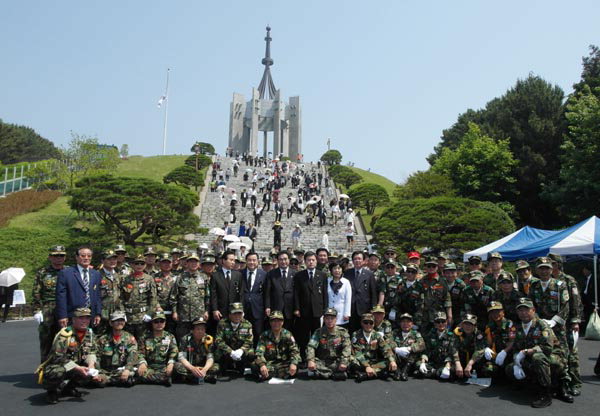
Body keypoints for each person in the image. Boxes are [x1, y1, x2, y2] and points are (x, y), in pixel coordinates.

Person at [505, 298, 573, 407]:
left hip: (553, 358)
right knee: (510, 368)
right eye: (520, 310)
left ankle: (546, 394)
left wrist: (526, 351)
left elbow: (547, 348)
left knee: (538, 357)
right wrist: (517, 362)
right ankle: (533, 385)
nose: (523, 313)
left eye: (526, 310)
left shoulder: (542, 325)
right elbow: (516, 349)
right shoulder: (517, 328)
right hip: (532, 358)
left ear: (533, 310)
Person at [39, 307, 101, 404]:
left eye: (87, 318)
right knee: (57, 371)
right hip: (59, 365)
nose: (84, 321)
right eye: (81, 318)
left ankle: (68, 388)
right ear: (73, 319)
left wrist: (91, 365)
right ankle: (52, 392)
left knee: (94, 368)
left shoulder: (90, 333)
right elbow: (58, 357)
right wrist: (77, 368)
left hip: (76, 366)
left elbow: (92, 351)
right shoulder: (65, 335)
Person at [33, 245, 66, 362]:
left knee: (64, 339)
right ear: (50, 257)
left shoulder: (69, 271)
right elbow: (36, 292)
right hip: (48, 308)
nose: (59, 258)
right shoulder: (42, 272)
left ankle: (62, 367)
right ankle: (45, 368)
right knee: (46, 339)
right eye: (55, 256)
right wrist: (37, 310)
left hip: (65, 308)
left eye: (61, 255)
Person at [293, 251, 328, 361]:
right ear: (305, 261)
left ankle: (316, 357)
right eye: (309, 260)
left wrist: (325, 309)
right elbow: (296, 293)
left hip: (318, 310)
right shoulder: (299, 275)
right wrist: (297, 308)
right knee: (304, 336)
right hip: (304, 310)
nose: (311, 262)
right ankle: (304, 357)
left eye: (313, 260)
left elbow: (325, 293)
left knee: (317, 335)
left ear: (316, 261)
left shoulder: (322, 275)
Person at [55, 245, 102, 329]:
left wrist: (98, 313)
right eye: (83, 256)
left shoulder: (96, 274)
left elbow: (97, 295)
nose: (86, 258)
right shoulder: (66, 273)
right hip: (73, 316)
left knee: (89, 340)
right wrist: (62, 316)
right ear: (77, 257)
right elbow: (61, 296)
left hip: (91, 316)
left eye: (89, 256)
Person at [169, 253, 210, 343]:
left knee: (199, 339)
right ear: (187, 263)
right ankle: (183, 356)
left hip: (199, 315)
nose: (193, 264)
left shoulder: (204, 278)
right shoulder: (180, 278)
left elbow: (207, 296)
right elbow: (174, 296)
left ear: (199, 264)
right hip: (183, 315)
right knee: (183, 339)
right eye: (191, 261)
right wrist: (174, 311)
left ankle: (198, 356)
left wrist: (207, 310)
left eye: (195, 262)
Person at [252, 310, 300, 381]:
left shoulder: (288, 334)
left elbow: (295, 351)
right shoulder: (264, 336)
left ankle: (267, 375)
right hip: (269, 364)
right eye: (273, 321)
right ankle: (282, 374)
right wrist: (262, 365)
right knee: (254, 366)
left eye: (279, 321)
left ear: (282, 322)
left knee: (296, 365)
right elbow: (259, 352)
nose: (276, 323)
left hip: (284, 363)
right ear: (270, 322)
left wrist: (293, 363)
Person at [306, 308, 352, 380]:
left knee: (351, 361)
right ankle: (335, 374)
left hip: (337, 361)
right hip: (323, 362)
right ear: (324, 319)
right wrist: (310, 360)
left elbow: (347, 347)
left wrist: (344, 362)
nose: (329, 321)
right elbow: (311, 346)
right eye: (327, 318)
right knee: (312, 365)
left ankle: (324, 373)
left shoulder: (343, 332)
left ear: (336, 319)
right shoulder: (319, 332)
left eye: (332, 318)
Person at [119, 255, 158, 341]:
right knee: (128, 341)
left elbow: (153, 298)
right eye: (137, 263)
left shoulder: (149, 279)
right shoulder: (126, 279)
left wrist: (149, 313)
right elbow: (121, 298)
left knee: (142, 342)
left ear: (145, 265)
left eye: (142, 263)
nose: (139, 266)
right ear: (132, 265)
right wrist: (122, 312)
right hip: (129, 317)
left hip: (142, 317)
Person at [350, 313, 397, 382]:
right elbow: (357, 353)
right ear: (362, 323)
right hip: (361, 362)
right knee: (351, 360)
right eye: (365, 322)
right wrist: (367, 366)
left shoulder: (377, 335)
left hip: (373, 362)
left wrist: (392, 360)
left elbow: (386, 348)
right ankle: (378, 373)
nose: (368, 325)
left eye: (371, 323)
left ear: (374, 324)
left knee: (389, 361)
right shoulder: (356, 335)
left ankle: (365, 375)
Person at [96, 311, 138, 387]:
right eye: (117, 320)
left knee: (131, 375)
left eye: (122, 320)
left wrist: (127, 369)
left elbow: (132, 354)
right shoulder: (103, 339)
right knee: (99, 381)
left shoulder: (129, 338)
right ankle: (112, 380)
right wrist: (98, 372)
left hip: (121, 370)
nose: (120, 323)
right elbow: (97, 357)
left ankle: (114, 380)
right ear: (111, 323)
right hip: (105, 371)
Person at [137, 310, 178, 386]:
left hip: (164, 367)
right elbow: (140, 352)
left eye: (161, 321)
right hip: (149, 367)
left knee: (179, 368)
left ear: (165, 323)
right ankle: (163, 378)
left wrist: (171, 363)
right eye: (156, 322)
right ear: (152, 323)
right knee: (135, 371)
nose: (159, 324)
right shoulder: (144, 337)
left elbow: (174, 351)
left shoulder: (170, 336)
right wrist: (142, 363)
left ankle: (152, 378)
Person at [214, 302, 254, 378]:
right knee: (217, 353)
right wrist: (230, 352)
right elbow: (218, 340)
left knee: (251, 353)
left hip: (240, 352)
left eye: (239, 313)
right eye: (234, 313)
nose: (237, 316)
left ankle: (243, 367)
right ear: (229, 314)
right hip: (227, 351)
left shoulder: (247, 324)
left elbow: (249, 341)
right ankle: (222, 368)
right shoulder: (222, 323)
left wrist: (241, 350)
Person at [174, 316, 218, 384]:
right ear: (192, 330)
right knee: (176, 366)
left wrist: (204, 370)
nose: (200, 331)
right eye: (198, 329)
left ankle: (192, 377)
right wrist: (192, 368)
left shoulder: (208, 339)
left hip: (203, 365)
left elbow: (210, 357)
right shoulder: (185, 339)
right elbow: (181, 357)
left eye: (202, 329)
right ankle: (205, 377)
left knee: (216, 366)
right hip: (189, 366)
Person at [417, 311, 459, 380]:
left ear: (446, 322)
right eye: (438, 322)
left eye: (443, 321)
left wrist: (447, 366)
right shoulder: (430, 334)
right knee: (418, 364)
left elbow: (452, 352)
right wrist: (423, 362)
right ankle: (435, 373)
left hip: (445, 363)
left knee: (452, 371)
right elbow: (427, 350)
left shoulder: (451, 336)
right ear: (434, 323)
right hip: (433, 363)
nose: (440, 324)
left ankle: (431, 373)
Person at [344, 251, 378, 332]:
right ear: (352, 261)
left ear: (363, 261)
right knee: (351, 331)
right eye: (355, 259)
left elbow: (373, 293)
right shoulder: (347, 273)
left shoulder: (369, 274)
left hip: (364, 309)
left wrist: (373, 309)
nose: (357, 261)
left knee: (364, 331)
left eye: (359, 259)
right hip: (350, 308)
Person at [265, 251, 296, 330]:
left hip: (290, 308)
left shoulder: (295, 274)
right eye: (281, 259)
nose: (283, 261)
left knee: (289, 331)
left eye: (285, 259)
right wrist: (267, 306)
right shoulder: (271, 274)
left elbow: (297, 293)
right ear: (277, 261)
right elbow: (267, 292)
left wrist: (297, 308)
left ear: (289, 260)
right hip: (276, 307)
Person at [420, 257, 453, 332]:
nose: (431, 268)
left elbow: (447, 299)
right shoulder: (422, 281)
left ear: (437, 267)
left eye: (433, 266)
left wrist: (450, 316)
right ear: (426, 267)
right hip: (425, 315)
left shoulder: (442, 281)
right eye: (429, 266)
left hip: (439, 314)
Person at [390, 313, 426, 381]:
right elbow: (388, 342)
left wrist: (410, 348)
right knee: (389, 351)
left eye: (408, 322)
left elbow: (422, 345)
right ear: (400, 323)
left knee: (414, 352)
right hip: (397, 359)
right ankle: (396, 371)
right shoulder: (395, 332)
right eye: (403, 322)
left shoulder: (416, 334)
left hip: (409, 361)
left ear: (412, 324)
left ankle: (405, 371)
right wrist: (396, 349)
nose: (405, 324)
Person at [210, 250, 243, 322]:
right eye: (231, 260)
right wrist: (215, 309)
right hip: (221, 310)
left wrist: (241, 309)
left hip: (235, 310)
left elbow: (241, 293)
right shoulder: (215, 275)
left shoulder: (238, 275)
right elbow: (213, 295)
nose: (233, 262)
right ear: (223, 260)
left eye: (234, 260)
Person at [242, 252, 267, 344]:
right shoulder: (240, 274)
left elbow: (266, 293)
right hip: (243, 309)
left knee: (257, 333)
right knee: (243, 333)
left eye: (254, 260)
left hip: (258, 309)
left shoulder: (264, 275)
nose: (251, 262)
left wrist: (266, 307)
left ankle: (257, 354)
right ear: (246, 261)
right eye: (249, 260)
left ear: (258, 262)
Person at [98, 249, 122, 334]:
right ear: (102, 260)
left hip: (117, 315)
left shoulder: (119, 276)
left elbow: (122, 296)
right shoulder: (97, 275)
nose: (112, 261)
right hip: (102, 315)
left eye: (114, 259)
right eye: (109, 259)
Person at [153, 253, 177, 334]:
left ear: (172, 263)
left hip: (172, 312)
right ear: (159, 263)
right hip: (158, 311)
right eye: (164, 262)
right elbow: (152, 294)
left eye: (168, 262)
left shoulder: (177, 277)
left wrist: (175, 310)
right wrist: (157, 306)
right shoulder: (153, 277)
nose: (166, 265)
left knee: (171, 333)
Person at [396, 263, 424, 329]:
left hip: (414, 317)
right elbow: (396, 300)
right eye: (408, 271)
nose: (410, 274)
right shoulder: (401, 284)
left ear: (416, 273)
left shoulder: (419, 286)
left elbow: (421, 305)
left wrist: (416, 322)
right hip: (400, 317)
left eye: (413, 272)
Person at [327, 262, 352, 328]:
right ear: (331, 270)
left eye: (339, 268)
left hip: (341, 313)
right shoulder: (327, 281)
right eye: (335, 268)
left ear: (342, 270)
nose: (337, 270)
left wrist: (347, 313)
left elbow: (348, 299)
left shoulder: (346, 282)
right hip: (329, 313)